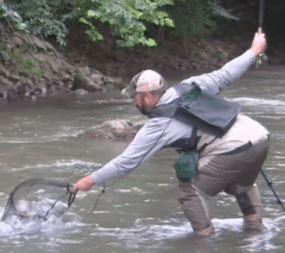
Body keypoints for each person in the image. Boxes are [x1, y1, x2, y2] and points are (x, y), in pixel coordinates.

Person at [74, 31, 269, 236]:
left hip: (235, 148)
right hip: (258, 136)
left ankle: (202, 241)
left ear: (148, 97)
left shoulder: (158, 125)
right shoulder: (191, 86)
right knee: (239, 179)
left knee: (189, 191)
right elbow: (226, 74)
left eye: (135, 97)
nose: (133, 102)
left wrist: (90, 180)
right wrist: (253, 51)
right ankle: (254, 230)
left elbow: (126, 162)